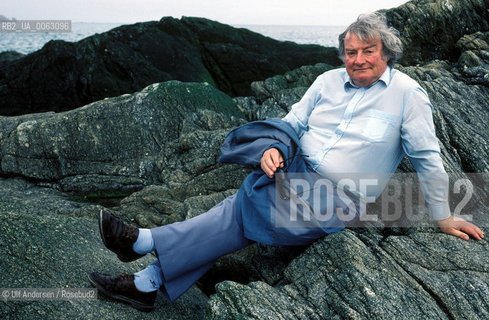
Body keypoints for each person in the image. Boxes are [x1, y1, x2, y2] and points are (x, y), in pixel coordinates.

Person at [88, 12, 484, 311]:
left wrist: (443, 215)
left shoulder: (407, 95)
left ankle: (146, 245)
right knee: (242, 208)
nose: (358, 59)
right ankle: (147, 281)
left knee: (243, 207)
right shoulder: (327, 81)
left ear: (387, 53)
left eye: (368, 51)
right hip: (294, 171)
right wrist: (270, 149)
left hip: (339, 199)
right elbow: (292, 123)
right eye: (351, 52)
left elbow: (427, 156)